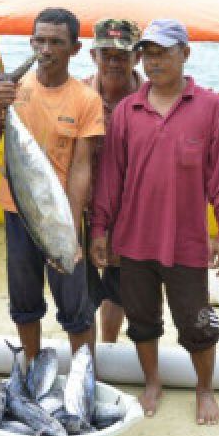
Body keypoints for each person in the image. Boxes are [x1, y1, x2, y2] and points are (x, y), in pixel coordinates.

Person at [90, 18, 219, 425]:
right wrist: (101, 228)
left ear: (185, 54)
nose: (153, 62)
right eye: (148, 54)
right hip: (133, 240)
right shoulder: (127, 111)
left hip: (187, 241)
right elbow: (110, 179)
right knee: (142, 320)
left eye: (163, 53)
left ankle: (204, 388)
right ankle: (151, 381)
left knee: (197, 321)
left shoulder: (211, 108)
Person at [0, 7, 104, 360]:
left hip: (61, 215)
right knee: (24, 298)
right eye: (40, 41)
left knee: (76, 306)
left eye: (56, 42)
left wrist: (70, 227)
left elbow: (81, 169)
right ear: (31, 43)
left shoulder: (85, 99)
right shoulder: (12, 92)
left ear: (75, 49)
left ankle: (84, 375)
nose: (45, 49)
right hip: (18, 212)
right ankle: (31, 366)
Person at [82, 18, 143, 344]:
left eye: (123, 55)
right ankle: (87, 354)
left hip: (132, 214)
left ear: (138, 57)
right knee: (84, 291)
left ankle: (108, 346)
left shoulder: (154, 98)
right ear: (94, 56)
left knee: (119, 290)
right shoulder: (77, 95)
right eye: (107, 55)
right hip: (84, 209)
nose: (114, 62)